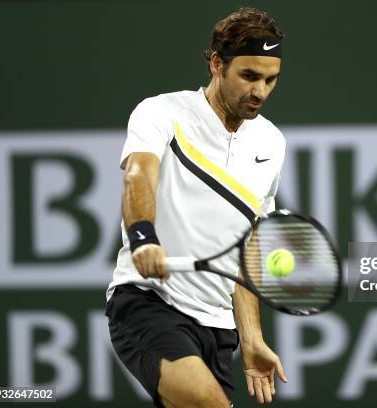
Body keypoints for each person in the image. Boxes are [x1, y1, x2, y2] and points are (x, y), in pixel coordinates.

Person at [105, 7, 288, 408]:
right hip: (150, 304)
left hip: (219, 328)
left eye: (270, 80)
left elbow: (245, 247)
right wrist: (143, 238)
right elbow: (139, 175)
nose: (260, 91)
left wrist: (253, 337)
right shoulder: (161, 112)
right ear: (216, 64)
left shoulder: (272, 144)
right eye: (249, 76)